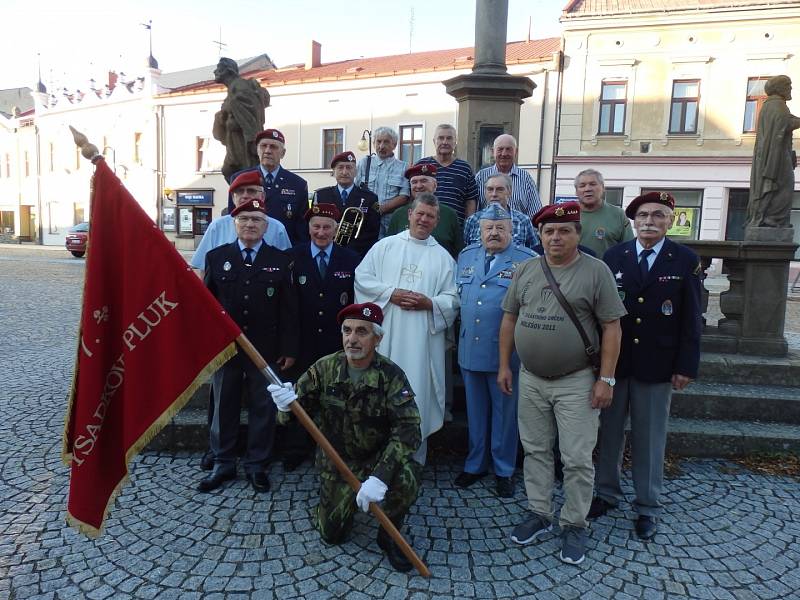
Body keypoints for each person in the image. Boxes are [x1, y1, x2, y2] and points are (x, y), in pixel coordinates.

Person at [498, 201, 626, 565]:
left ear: (577, 234)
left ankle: (574, 523)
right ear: (539, 235)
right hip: (532, 379)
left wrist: (606, 378)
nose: (556, 236)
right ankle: (539, 512)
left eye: (564, 230)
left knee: (576, 458)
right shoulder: (525, 269)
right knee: (535, 450)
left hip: (577, 382)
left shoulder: (595, 271)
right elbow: (509, 319)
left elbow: (612, 327)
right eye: (549, 231)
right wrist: (503, 366)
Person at [268, 303, 422, 572]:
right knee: (332, 535)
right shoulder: (323, 369)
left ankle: (389, 535)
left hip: (377, 459)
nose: (352, 339)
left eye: (362, 332)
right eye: (347, 331)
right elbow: (295, 414)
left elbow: (409, 430)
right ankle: (338, 501)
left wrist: (380, 477)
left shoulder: (392, 376)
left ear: (378, 338)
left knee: (409, 476)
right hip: (338, 463)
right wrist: (284, 405)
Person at [589, 191, 702, 540]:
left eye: (657, 215)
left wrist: (686, 365)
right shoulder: (614, 256)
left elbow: (691, 319)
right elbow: (599, 314)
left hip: (658, 364)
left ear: (670, 220)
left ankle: (647, 505)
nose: (649, 222)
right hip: (616, 365)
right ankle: (606, 493)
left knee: (650, 438)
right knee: (608, 434)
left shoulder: (684, 260)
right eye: (642, 216)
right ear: (633, 222)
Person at [200, 180, 299, 493]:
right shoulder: (217, 257)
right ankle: (223, 462)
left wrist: (288, 348)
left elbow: (289, 310)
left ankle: (258, 463)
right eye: (244, 219)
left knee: (262, 407)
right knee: (223, 405)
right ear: (235, 223)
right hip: (226, 349)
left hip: (265, 348)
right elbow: (207, 306)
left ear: (265, 225)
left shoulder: (281, 260)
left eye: (257, 220)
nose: (250, 224)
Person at [355, 192, 460, 464]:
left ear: (436, 222)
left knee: (417, 394)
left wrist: (430, 303)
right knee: (381, 395)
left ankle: (413, 461)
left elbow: (453, 299)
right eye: (420, 213)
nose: (424, 219)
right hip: (386, 338)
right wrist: (390, 294)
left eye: (430, 216)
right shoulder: (384, 247)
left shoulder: (443, 258)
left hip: (422, 345)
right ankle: (378, 459)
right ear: (410, 214)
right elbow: (362, 279)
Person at [455, 204, 535, 498]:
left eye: (501, 228)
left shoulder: (527, 261)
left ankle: (503, 469)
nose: (494, 233)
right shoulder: (466, 256)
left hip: (506, 354)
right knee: (476, 413)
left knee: (504, 414)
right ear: (480, 230)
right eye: (489, 228)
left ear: (512, 231)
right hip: (470, 348)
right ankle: (475, 464)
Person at [280, 203, 361, 471]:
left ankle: (335, 449)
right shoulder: (292, 257)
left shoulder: (351, 259)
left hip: (336, 344)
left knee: (337, 398)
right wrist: (289, 347)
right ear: (308, 228)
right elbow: (286, 307)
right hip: (302, 343)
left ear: (336, 229)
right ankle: (295, 448)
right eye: (316, 226)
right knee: (300, 396)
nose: (321, 232)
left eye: (327, 227)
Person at [190, 179, 291, 278]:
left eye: (251, 191)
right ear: (233, 198)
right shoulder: (217, 227)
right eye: (239, 191)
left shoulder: (278, 229)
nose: (245, 195)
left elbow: (286, 269)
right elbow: (204, 270)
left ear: (263, 196)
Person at [229, 129, 310, 245]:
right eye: (263, 146)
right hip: (247, 248)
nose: (267, 151)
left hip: (282, 251)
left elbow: (301, 228)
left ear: (283, 153)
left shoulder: (297, 184)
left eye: (273, 147)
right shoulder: (239, 179)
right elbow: (232, 218)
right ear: (257, 150)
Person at [747, 75, 800, 228]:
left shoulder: (770, 105)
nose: (790, 89)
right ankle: (772, 218)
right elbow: (785, 123)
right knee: (784, 186)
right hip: (775, 157)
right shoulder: (778, 105)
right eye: (788, 85)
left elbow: (787, 122)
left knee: (783, 186)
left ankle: (770, 217)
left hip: (772, 154)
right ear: (780, 88)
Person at [386, 163, 462, 259]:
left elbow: (459, 252)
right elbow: (390, 248)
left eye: (424, 181)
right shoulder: (399, 214)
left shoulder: (449, 214)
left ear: (435, 185)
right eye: (414, 182)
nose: (418, 186)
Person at [211, 57, 270, 180]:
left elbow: (249, 112)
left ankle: (248, 195)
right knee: (230, 171)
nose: (214, 71)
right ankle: (241, 196)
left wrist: (230, 108)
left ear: (227, 70)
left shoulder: (240, 86)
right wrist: (222, 115)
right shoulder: (233, 88)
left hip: (243, 142)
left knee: (239, 172)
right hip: (234, 140)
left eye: (218, 68)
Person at [315, 151, 380, 259]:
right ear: (333, 172)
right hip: (327, 254)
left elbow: (372, 232)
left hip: (358, 255)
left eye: (349, 168)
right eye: (340, 168)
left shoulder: (370, 198)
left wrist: (349, 251)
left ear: (356, 172)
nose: (344, 172)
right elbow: (314, 227)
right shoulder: (321, 196)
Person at [355, 127, 411, 237]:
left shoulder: (403, 167)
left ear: (394, 145)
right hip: (365, 224)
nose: (381, 146)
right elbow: (355, 190)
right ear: (374, 143)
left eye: (386, 142)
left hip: (390, 225)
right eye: (378, 141)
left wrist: (381, 210)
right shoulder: (364, 163)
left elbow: (404, 196)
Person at [417, 124, 479, 225]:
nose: (445, 142)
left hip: (455, 228)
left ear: (455, 142)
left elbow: (470, 200)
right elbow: (412, 196)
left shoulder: (465, 168)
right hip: (425, 225)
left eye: (449, 138)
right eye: (441, 138)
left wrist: (468, 225)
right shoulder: (422, 165)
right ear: (434, 141)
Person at [463, 173, 538, 249]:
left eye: (500, 189)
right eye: (490, 189)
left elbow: (535, 253)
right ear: (485, 193)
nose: (494, 194)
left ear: (509, 192)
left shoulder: (523, 221)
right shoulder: (473, 220)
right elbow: (465, 253)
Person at [474, 134, 542, 217]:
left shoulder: (525, 178)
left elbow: (535, 214)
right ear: (493, 152)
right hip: (487, 229)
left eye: (508, 149)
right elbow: (474, 212)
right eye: (500, 149)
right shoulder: (481, 177)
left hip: (518, 229)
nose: (504, 153)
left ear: (516, 152)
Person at [574, 169, 633, 257]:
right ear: (576, 191)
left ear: (603, 188)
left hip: (608, 270)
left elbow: (629, 249)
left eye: (593, 184)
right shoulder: (568, 215)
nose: (587, 189)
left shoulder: (618, 214)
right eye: (582, 186)